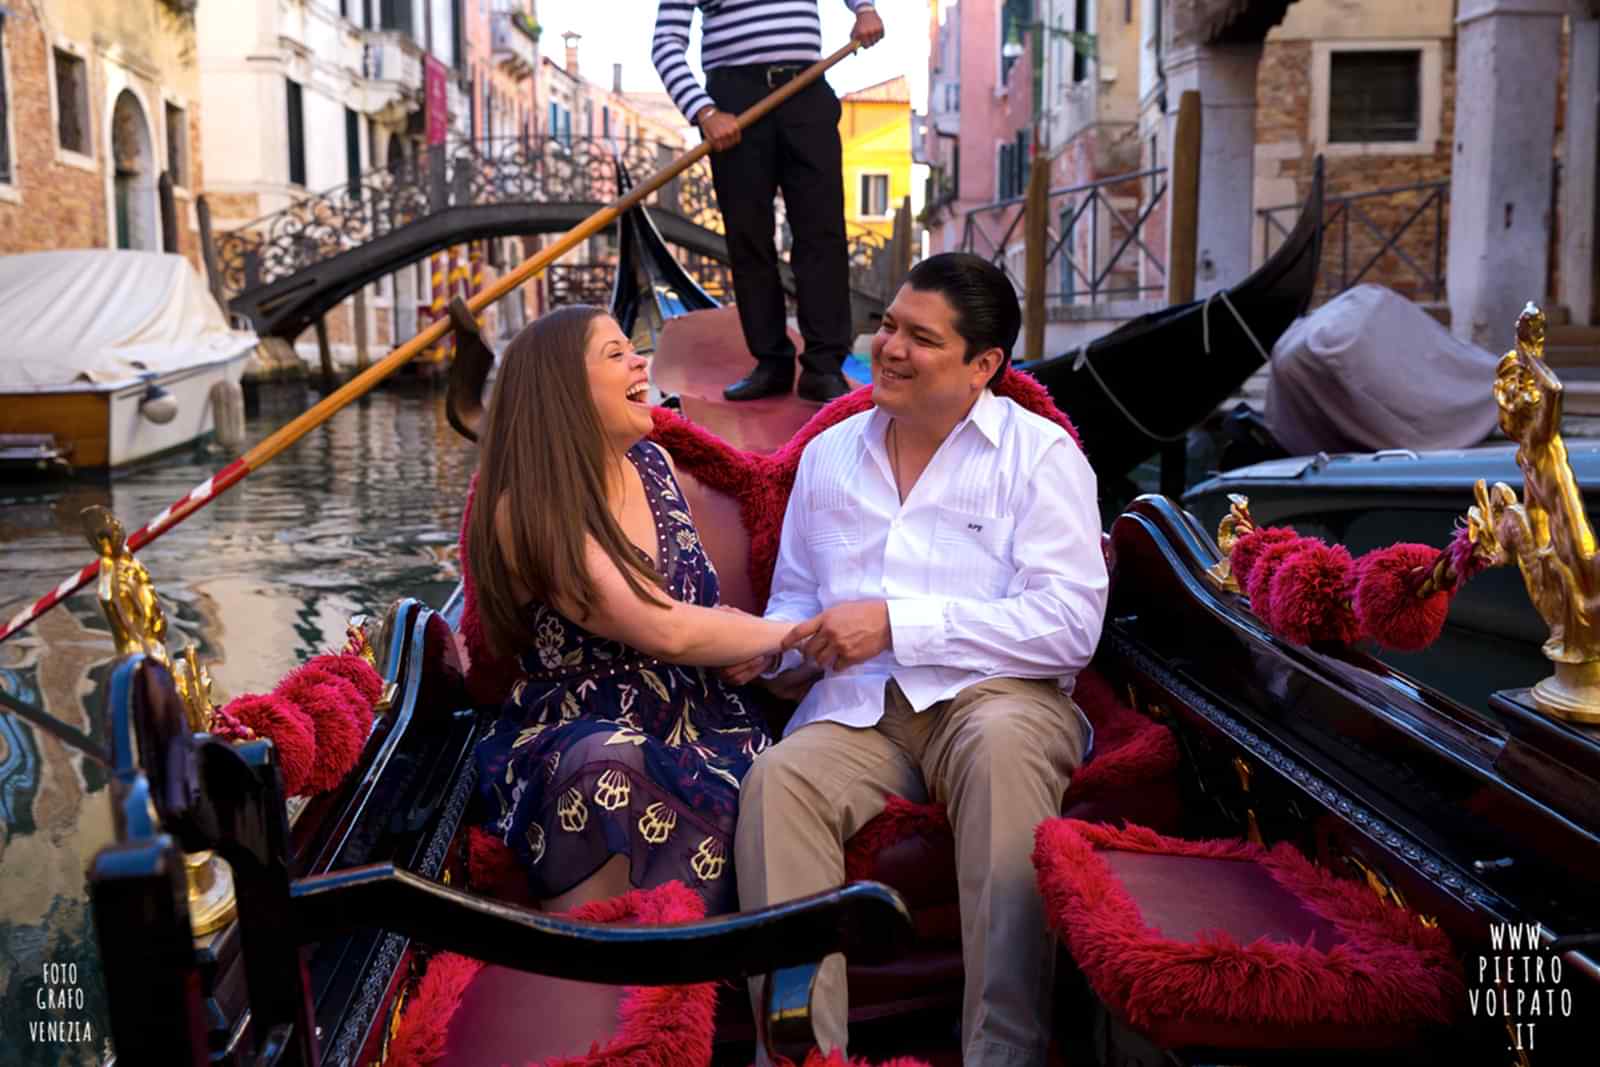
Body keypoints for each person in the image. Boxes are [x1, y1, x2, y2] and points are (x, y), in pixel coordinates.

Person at [728, 254, 1109, 1065]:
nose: (889, 348)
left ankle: (1003, 1052)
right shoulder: (829, 454)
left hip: (999, 698)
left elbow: (1071, 623)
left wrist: (899, 625)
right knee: (778, 780)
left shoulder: (1039, 456)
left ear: (983, 366)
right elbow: (796, 596)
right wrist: (771, 649)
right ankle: (798, 1056)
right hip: (861, 709)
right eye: (889, 325)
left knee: (1004, 751)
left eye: (919, 337)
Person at [467, 305, 804, 917]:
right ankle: (599, 979)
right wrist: (795, 633)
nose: (641, 361)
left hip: (705, 718)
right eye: (615, 353)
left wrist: (741, 647)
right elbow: (664, 629)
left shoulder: (655, 466)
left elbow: (692, 610)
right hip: (576, 731)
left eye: (634, 348)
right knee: (610, 768)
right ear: (562, 389)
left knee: (779, 777)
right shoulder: (526, 509)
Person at [651, 0, 885, 404]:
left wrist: (864, 9)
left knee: (822, 233)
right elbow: (666, 44)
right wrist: (705, 112)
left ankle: (824, 367)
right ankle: (772, 361)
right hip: (733, 101)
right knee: (749, 238)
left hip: (806, 88)